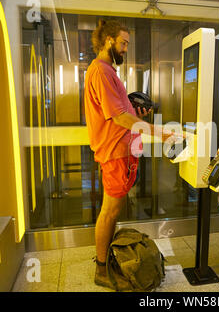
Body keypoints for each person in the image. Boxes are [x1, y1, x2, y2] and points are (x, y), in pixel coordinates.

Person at [84, 19, 179, 287]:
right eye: (123, 43)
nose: (126, 48)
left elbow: (122, 114)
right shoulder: (101, 72)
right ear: (109, 41)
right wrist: (161, 132)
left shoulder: (108, 72)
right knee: (109, 212)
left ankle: (105, 262)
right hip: (115, 154)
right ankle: (102, 271)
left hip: (120, 152)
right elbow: (119, 119)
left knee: (112, 211)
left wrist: (136, 112)